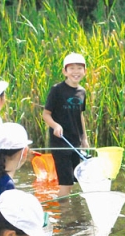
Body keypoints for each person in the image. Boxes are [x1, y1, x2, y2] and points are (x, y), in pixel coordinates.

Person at [42, 52, 89, 197]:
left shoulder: (82, 92)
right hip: (60, 143)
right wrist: (55, 125)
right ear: (65, 71)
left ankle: (68, 213)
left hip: (75, 143)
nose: (76, 72)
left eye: (79, 68)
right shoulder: (57, 90)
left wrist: (84, 139)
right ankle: (63, 215)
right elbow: (46, 114)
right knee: (66, 183)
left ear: (85, 71)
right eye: (72, 68)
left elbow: (80, 115)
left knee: (74, 181)